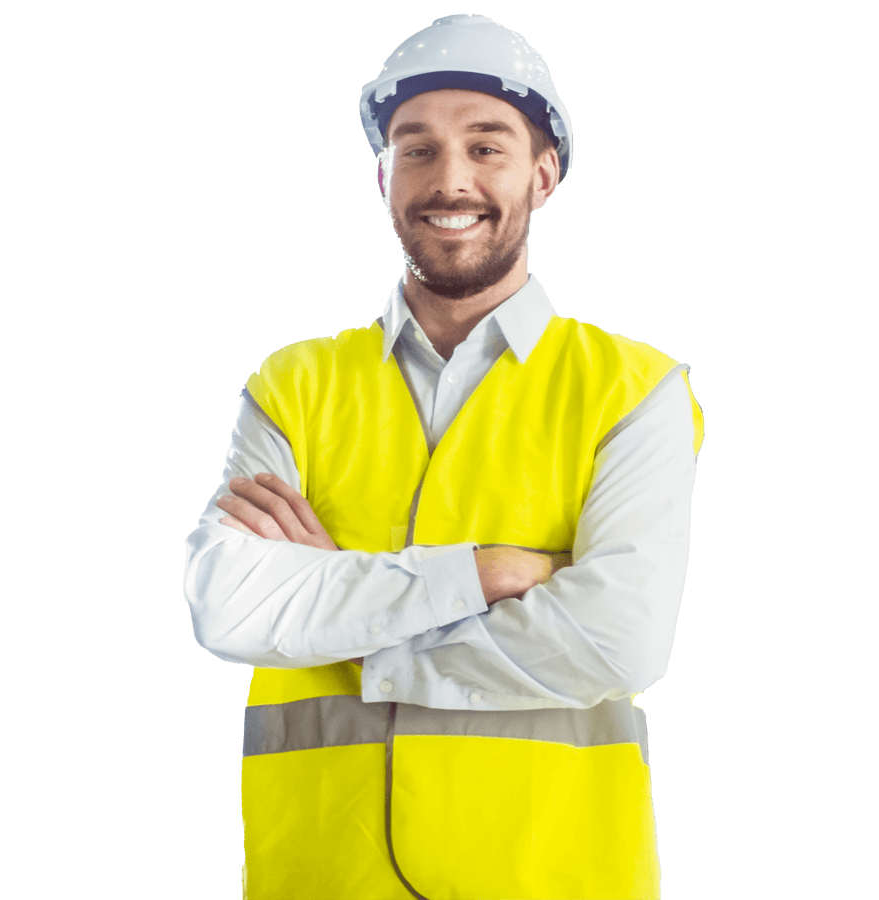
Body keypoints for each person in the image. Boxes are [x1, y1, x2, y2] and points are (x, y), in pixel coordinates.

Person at [183, 14, 703, 900]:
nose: (449, 179)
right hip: (318, 876)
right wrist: (484, 573)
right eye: (416, 149)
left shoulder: (633, 388)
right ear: (384, 174)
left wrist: (342, 606)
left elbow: (620, 639)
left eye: (487, 147)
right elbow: (227, 607)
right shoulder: (293, 383)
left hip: (552, 878)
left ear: (543, 175)